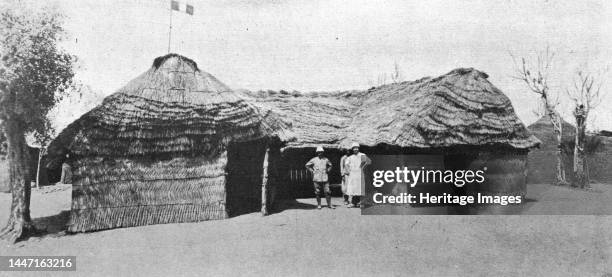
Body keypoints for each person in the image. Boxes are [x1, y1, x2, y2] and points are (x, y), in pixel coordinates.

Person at [345, 142, 371, 208]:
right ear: (352, 149)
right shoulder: (350, 157)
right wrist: (349, 171)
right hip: (353, 175)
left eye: (356, 148)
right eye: (354, 148)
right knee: (352, 189)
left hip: (360, 174)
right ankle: (352, 203)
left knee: (360, 189)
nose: (355, 149)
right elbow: (346, 164)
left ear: (358, 148)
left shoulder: (362, 155)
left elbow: (369, 162)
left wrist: (363, 167)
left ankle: (361, 203)